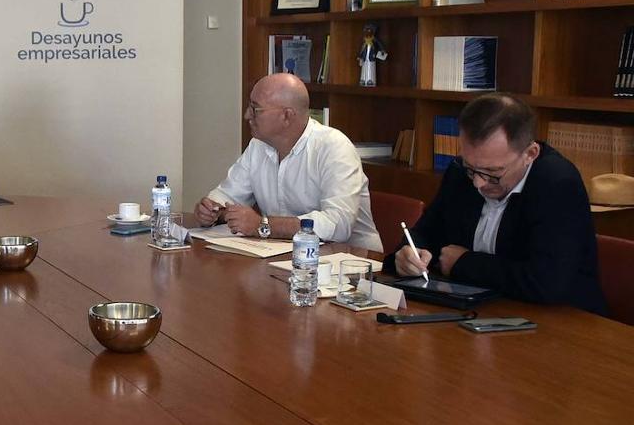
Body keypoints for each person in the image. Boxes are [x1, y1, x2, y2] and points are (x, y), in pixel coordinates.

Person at [386, 93, 606, 314]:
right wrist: (407, 254)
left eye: (493, 172)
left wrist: (464, 263)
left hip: (562, 321)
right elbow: (427, 231)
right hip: (483, 310)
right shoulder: (460, 172)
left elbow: (547, 282)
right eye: (470, 166)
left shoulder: (557, 183)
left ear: (530, 154)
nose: (478, 183)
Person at [193, 73, 381, 251]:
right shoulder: (258, 146)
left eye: (255, 109)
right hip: (283, 256)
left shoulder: (334, 147)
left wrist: (263, 225)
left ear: (287, 116)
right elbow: (227, 195)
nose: (247, 116)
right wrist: (210, 210)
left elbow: (338, 224)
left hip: (350, 265)